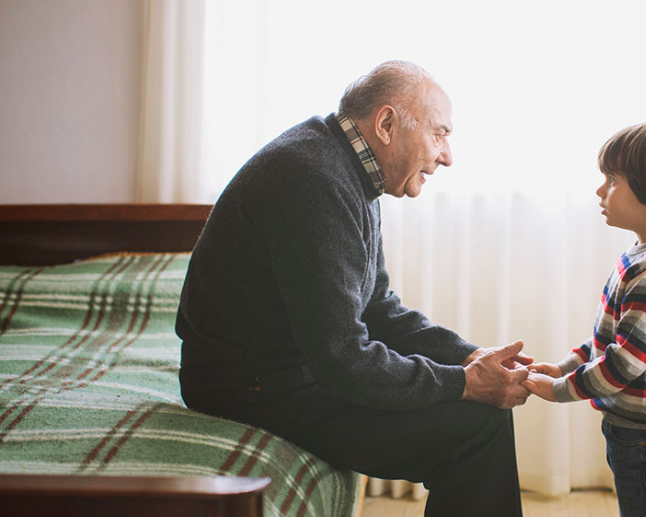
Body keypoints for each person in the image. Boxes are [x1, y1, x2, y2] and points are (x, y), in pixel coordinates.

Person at [176, 61, 532, 517]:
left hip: (284, 372)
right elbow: (342, 358)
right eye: (439, 134)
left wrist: (470, 357)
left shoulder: (344, 167)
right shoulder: (312, 180)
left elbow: (377, 306)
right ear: (386, 124)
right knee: (478, 425)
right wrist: (463, 384)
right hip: (250, 387)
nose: (446, 156)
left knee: (482, 414)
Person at [522, 120, 646, 517]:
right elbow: (610, 340)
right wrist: (563, 367)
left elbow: (622, 364)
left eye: (612, 179)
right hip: (644, 429)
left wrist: (558, 389)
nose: (600, 190)